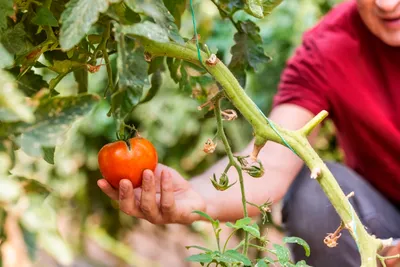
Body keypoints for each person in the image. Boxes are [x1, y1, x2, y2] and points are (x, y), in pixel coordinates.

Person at [97, 0, 400, 265]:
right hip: (389, 219)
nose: (386, 4)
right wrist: (196, 197)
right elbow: (275, 159)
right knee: (314, 196)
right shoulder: (330, 46)